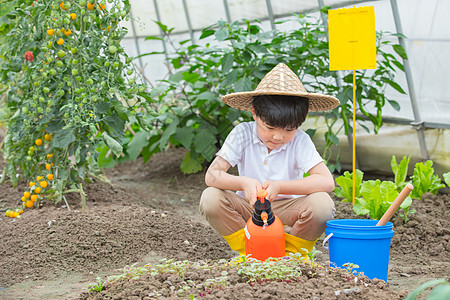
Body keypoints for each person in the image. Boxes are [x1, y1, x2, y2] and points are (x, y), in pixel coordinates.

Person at [199, 63, 340, 257]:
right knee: (211, 198)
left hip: (287, 208)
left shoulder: (300, 140)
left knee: (322, 205)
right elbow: (212, 176)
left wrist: (280, 186)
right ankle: (250, 252)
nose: (278, 137)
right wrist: (243, 182)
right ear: (254, 114)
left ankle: (292, 255)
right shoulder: (242, 133)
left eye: (289, 129)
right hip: (250, 207)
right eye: (270, 127)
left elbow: (326, 181)